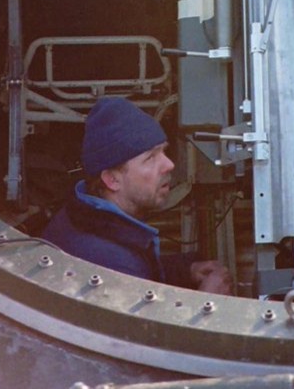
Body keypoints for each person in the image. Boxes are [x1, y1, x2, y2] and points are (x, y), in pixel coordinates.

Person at [44, 96, 232, 293]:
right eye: (150, 158)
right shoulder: (110, 263)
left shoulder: (82, 214)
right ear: (112, 180)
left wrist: (183, 271)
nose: (169, 165)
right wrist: (208, 300)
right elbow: (145, 323)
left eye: (163, 151)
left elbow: (138, 271)